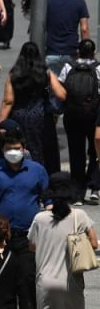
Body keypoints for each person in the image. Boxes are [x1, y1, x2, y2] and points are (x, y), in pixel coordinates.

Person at [28, 172, 98, 309]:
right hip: (71, 282)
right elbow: (94, 243)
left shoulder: (39, 219)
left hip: (44, 282)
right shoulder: (79, 216)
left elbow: (32, 246)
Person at [0, 130, 52, 309]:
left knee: (27, 279)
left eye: (17, 148)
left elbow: (47, 199)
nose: (13, 152)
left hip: (28, 237)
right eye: (8, 148)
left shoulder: (37, 170)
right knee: (3, 281)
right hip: (2, 238)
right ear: (2, 150)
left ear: (24, 149)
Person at [0, 42, 61, 172]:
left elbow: (8, 101)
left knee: (21, 145)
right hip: (41, 115)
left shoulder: (14, 75)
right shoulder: (46, 73)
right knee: (43, 147)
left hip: (19, 116)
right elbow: (60, 93)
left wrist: (1, 123)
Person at [56, 40, 100, 203]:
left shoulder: (68, 67)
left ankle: (77, 193)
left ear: (78, 51)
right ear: (93, 51)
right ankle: (95, 186)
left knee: (76, 153)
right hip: (94, 115)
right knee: (96, 150)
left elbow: (61, 90)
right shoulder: (98, 68)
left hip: (72, 115)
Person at [44, 0, 90, 79]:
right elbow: (84, 29)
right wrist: (86, 52)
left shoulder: (48, 1)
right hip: (71, 53)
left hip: (51, 52)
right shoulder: (80, 2)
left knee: (51, 88)